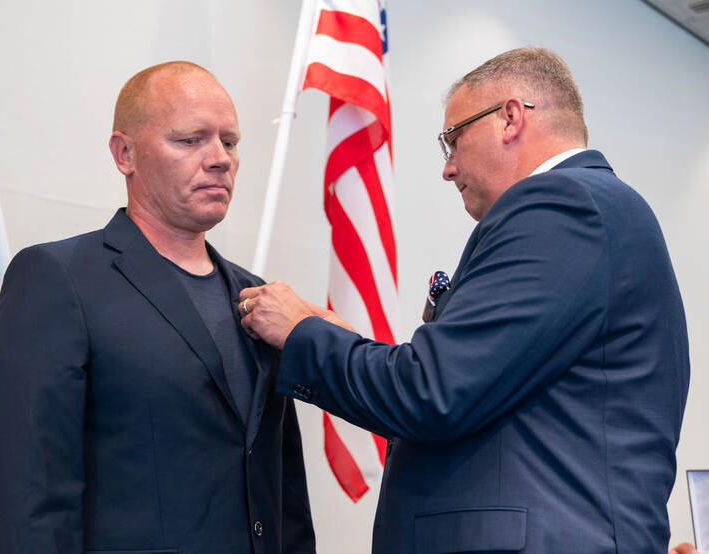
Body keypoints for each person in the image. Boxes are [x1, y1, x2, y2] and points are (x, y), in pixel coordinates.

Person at [239, 48, 689, 553]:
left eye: (452, 140)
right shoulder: (594, 210)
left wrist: (302, 334)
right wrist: (346, 344)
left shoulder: (561, 206)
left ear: (510, 118)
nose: (448, 169)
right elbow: (471, 383)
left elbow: (432, 393)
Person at [0, 61, 315, 554]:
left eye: (229, 142)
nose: (219, 159)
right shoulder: (59, 279)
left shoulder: (258, 297)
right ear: (125, 154)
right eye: (190, 140)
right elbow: (28, 493)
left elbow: (284, 489)